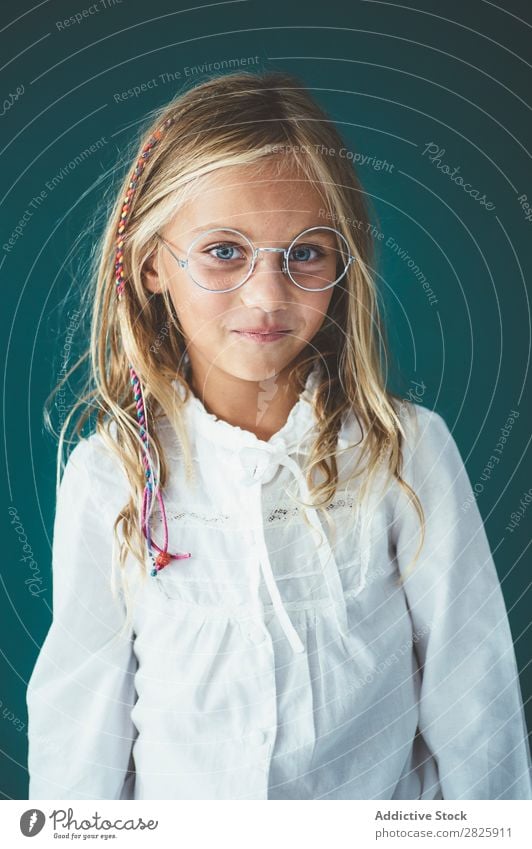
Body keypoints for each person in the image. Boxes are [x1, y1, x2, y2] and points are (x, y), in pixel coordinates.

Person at [26, 71, 532, 800]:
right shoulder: (112, 474)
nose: (268, 295)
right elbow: (81, 727)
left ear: (342, 266)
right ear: (149, 266)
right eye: (224, 251)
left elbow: (474, 695)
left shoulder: (407, 452)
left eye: (307, 252)